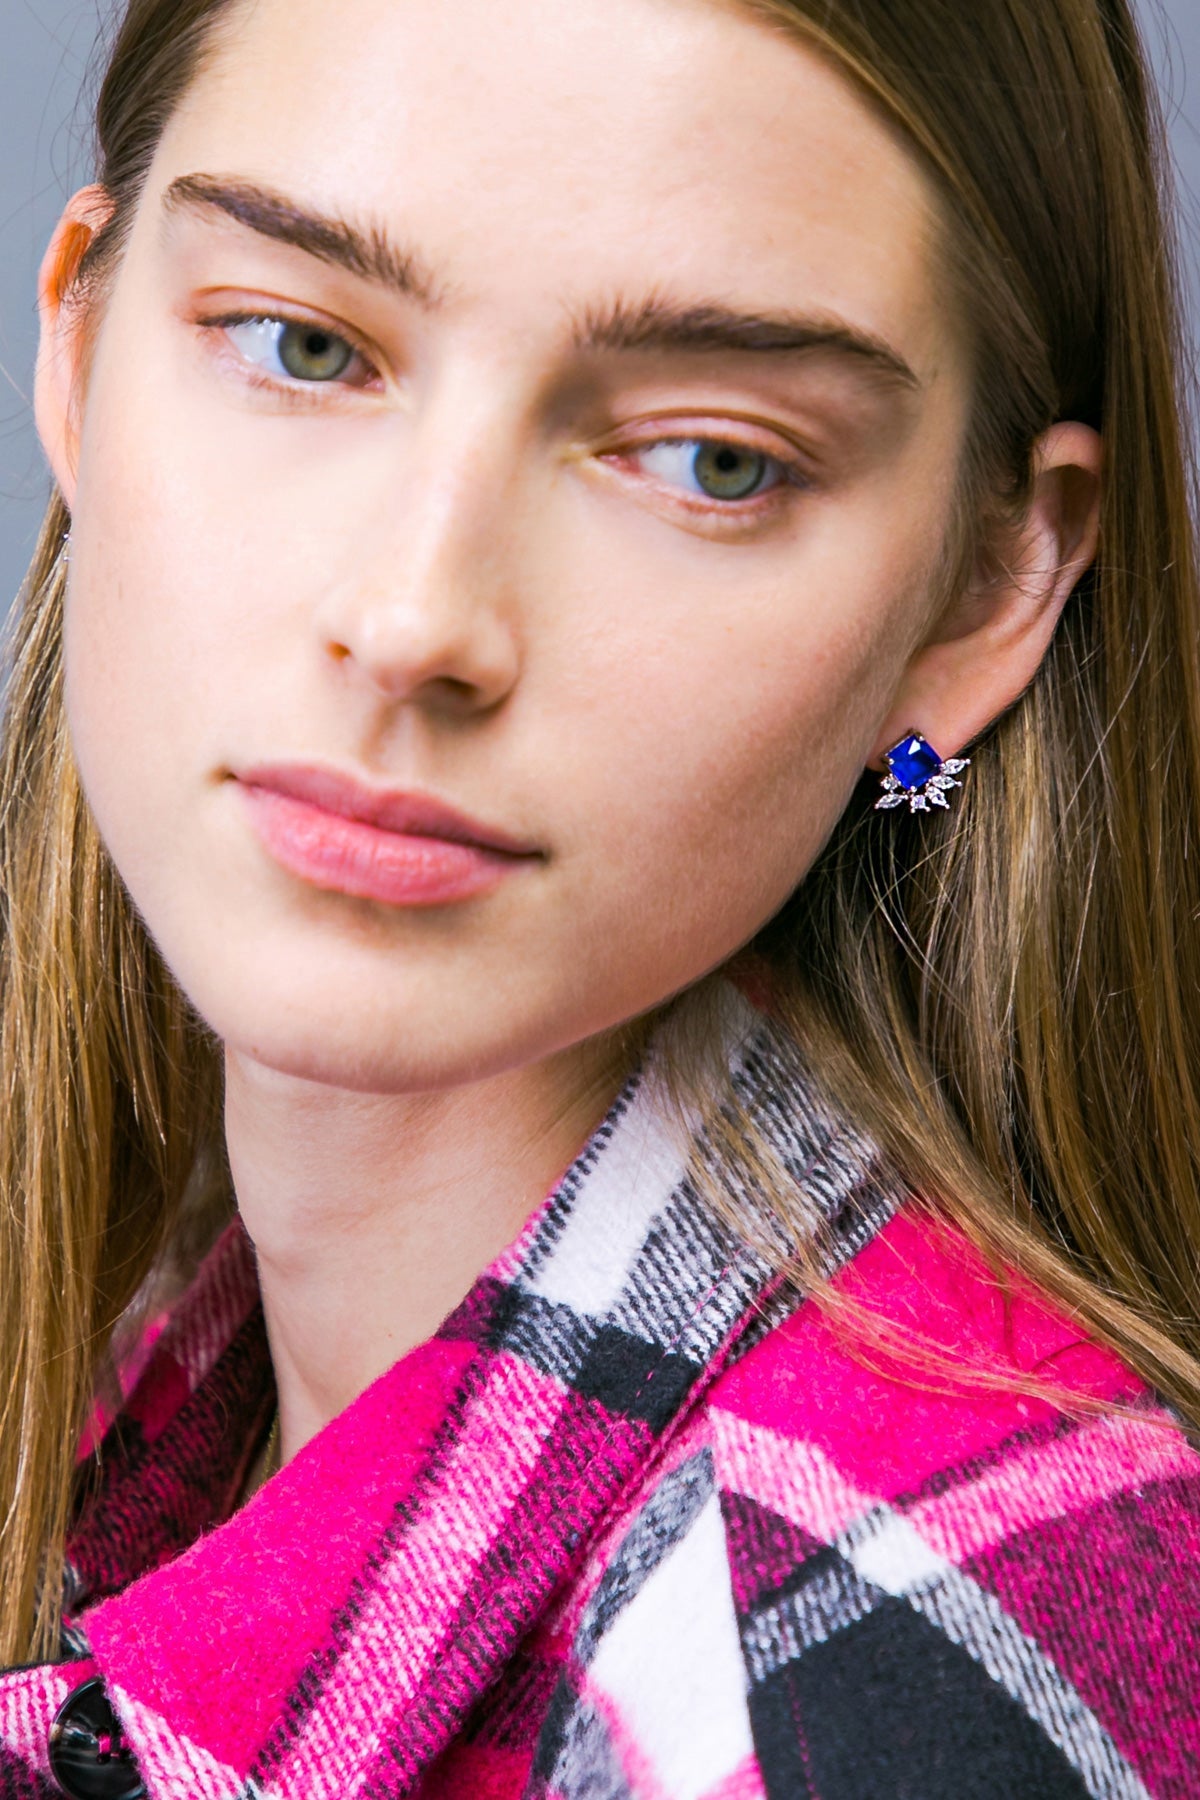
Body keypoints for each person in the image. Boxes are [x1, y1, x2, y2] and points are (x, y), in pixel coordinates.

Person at [0, 0, 1195, 1792]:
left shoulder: (863, 1651)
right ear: (82, 349)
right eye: (301, 347)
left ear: (983, 592)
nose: (415, 618)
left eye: (714, 459)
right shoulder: (145, 1369)